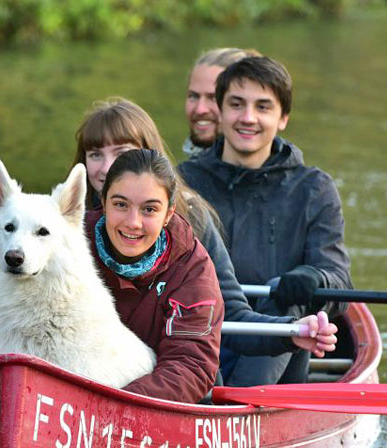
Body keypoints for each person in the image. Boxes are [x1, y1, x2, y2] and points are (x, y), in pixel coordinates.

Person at [73, 98, 338, 385]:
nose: (106, 166)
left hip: (172, 379)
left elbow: (231, 313)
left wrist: (291, 330)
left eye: (122, 152)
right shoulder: (63, 226)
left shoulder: (191, 233)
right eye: (95, 154)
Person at [179, 56, 353, 387]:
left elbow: (340, 284)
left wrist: (312, 276)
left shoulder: (314, 188)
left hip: (277, 355)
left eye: (263, 107)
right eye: (236, 104)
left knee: (287, 298)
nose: (248, 118)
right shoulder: (183, 182)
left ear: (283, 118)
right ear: (221, 110)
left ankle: (233, 406)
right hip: (201, 340)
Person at [85, 149, 223, 403]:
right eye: (121, 205)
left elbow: (190, 364)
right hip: (65, 392)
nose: (133, 222)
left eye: (149, 209)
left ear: (169, 214)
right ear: (103, 202)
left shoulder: (193, 269)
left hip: (141, 402)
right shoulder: (66, 242)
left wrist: (112, 405)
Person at [184, 47, 261, 158]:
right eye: (193, 96)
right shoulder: (183, 170)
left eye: (214, 98)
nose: (200, 109)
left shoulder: (282, 173)